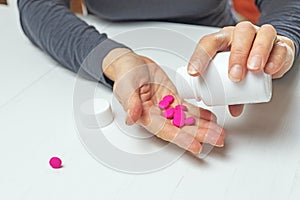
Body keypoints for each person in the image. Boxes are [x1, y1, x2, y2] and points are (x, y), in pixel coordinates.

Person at [17, 0, 299, 154]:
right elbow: (36, 4)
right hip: (107, 37)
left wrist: (280, 39)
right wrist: (113, 59)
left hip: (218, 45)